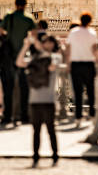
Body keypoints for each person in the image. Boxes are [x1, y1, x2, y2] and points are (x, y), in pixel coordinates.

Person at [16, 35, 61, 168]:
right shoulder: (35, 59)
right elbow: (19, 62)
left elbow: (52, 65)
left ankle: (55, 155)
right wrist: (25, 46)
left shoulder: (55, 57)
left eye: (50, 43)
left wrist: (37, 45)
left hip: (48, 100)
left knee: (51, 130)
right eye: (45, 43)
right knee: (36, 132)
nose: (47, 45)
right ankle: (35, 156)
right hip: (34, 100)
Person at [0, 0, 37, 125]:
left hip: (9, 57)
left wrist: (7, 37)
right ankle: (24, 116)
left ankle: (7, 116)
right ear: (26, 5)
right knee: (23, 87)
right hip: (23, 56)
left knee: (8, 88)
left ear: (15, 4)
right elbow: (35, 36)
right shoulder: (29, 19)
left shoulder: (9, 17)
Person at [65, 12, 97, 127]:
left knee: (78, 92)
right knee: (90, 91)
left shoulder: (73, 32)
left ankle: (78, 117)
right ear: (90, 21)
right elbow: (94, 49)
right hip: (89, 64)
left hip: (76, 64)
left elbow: (68, 49)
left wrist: (68, 65)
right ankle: (92, 115)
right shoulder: (92, 33)